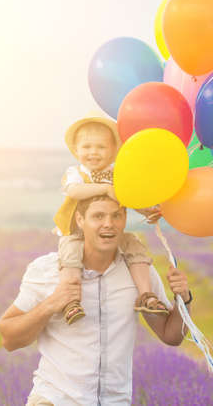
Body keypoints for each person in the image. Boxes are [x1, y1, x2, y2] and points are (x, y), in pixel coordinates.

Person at [0, 194, 192, 406]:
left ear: (125, 219)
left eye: (116, 216)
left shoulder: (140, 273)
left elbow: (171, 336)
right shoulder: (46, 270)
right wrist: (51, 304)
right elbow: (9, 338)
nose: (108, 224)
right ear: (80, 220)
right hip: (54, 400)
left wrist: (183, 298)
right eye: (98, 216)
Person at [53, 114, 167, 325]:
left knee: (135, 247)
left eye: (101, 147)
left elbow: (128, 197)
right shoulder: (75, 173)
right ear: (76, 150)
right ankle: (71, 301)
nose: (93, 152)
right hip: (75, 232)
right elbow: (74, 191)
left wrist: (147, 211)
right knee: (70, 258)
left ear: (114, 151)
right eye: (86, 147)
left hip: (109, 231)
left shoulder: (117, 173)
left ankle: (146, 295)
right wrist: (106, 188)